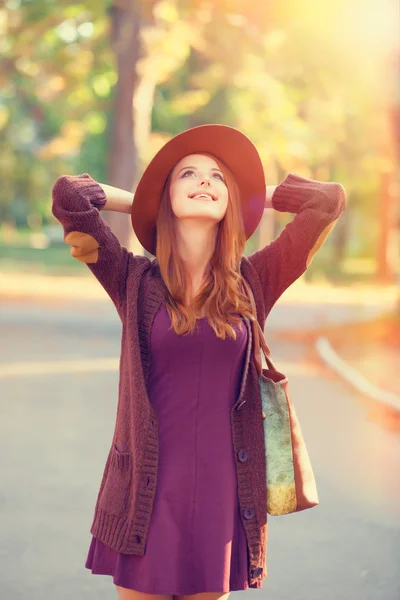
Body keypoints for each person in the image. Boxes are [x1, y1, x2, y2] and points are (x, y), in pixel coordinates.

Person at [51, 124, 347, 600]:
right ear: (166, 197)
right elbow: (70, 196)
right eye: (188, 174)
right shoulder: (130, 278)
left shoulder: (256, 279)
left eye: (217, 177)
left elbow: (327, 200)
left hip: (222, 494)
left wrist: (253, 194)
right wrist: (144, 200)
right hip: (145, 495)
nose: (204, 181)